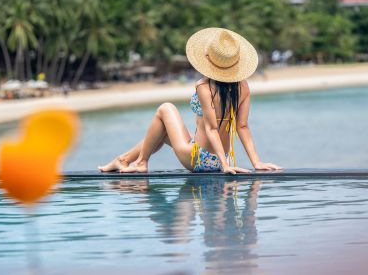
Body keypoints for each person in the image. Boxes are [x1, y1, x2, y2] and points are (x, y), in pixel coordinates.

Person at [98, 27, 281, 174]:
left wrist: (226, 167)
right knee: (161, 130)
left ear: (208, 59)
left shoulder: (204, 86)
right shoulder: (243, 87)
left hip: (199, 159)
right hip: (220, 158)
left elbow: (211, 128)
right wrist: (255, 162)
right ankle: (124, 160)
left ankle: (140, 162)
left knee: (165, 108)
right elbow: (242, 127)